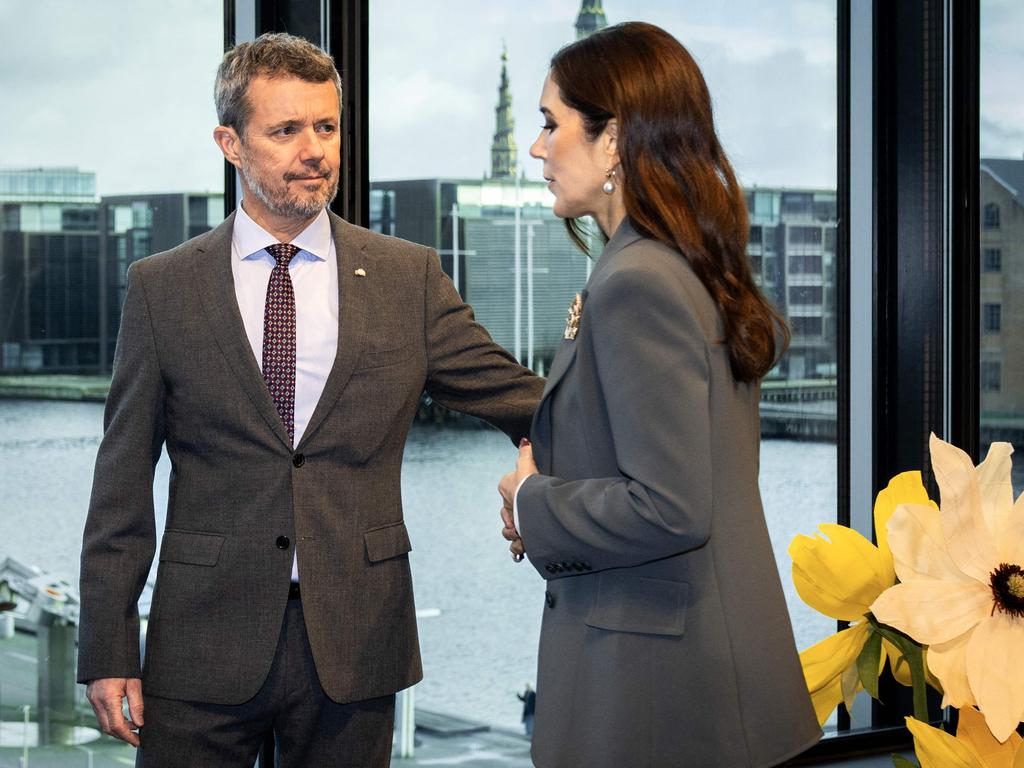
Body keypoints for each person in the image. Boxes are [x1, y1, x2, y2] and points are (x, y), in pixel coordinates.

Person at [78, 32, 543, 768]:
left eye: (326, 126)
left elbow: (521, 399)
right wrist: (106, 648)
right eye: (286, 129)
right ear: (230, 143)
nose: (315, 149)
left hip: (357, 642)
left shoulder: (408, 278)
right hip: (201, 645)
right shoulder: (162, 288)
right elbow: (121, 482)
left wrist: (646, 410)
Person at [498, 22, 822, 768]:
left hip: (659, 696)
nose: (537, 148)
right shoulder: (675, 263)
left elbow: (672, 504)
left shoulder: (637, 281)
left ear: (613, 140)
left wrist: (533, 501)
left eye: (552, 123)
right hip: (694, 675)